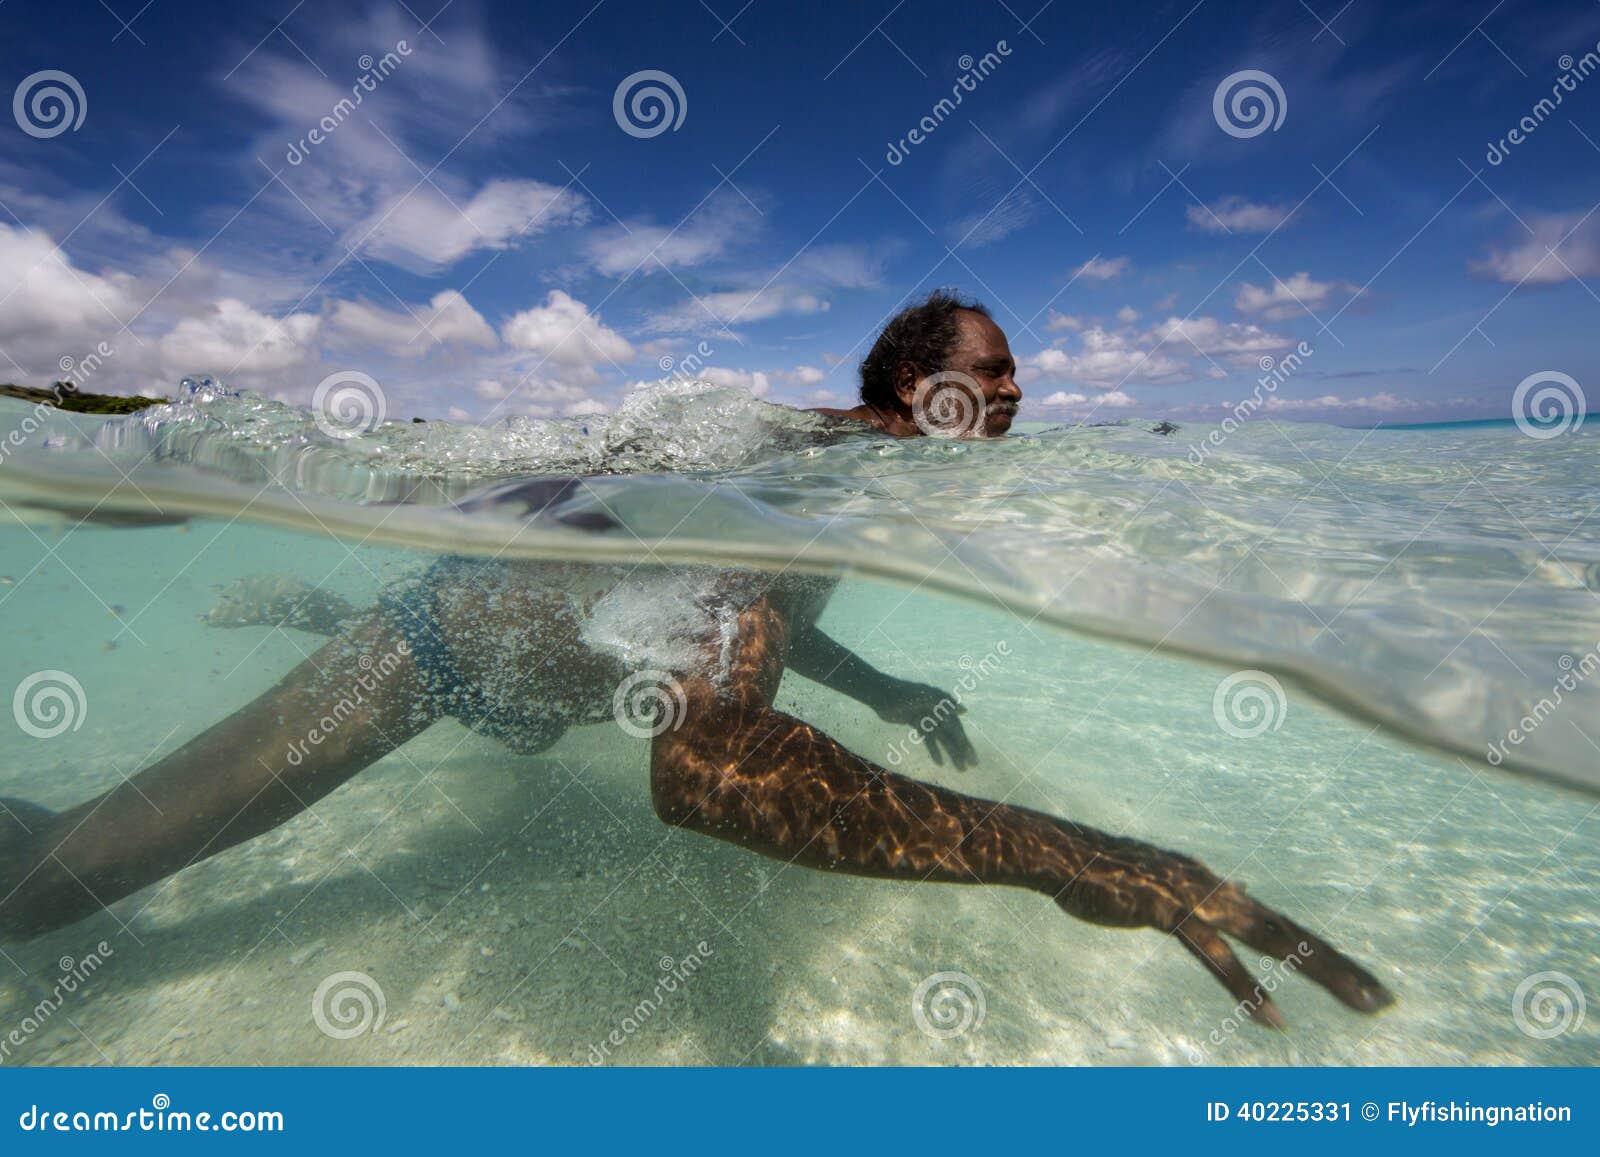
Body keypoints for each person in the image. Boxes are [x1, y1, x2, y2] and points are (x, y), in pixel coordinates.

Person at [0, 290, 1392, 1028]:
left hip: (553, 672)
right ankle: (314, 613)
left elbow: (744, 632)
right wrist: (1082, 859)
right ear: (917, 391)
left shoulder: (839, 490)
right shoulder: (788, 496)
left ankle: (301, 599)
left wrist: (885, 691)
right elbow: (711, 765)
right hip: (430, 651)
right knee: (57, 879)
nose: (1023, 391)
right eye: (999, 369)